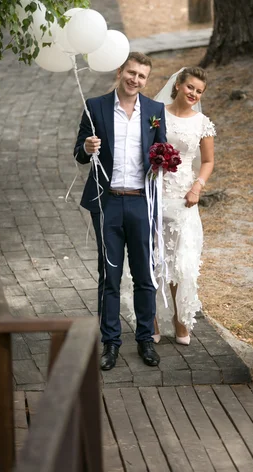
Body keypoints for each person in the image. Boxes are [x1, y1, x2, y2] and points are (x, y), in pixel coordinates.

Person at [74, 52, 167, 371]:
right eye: (131, 72)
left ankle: (144, 339)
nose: (135, 79)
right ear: (120, 71)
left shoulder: (155, 111)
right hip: (107, 202)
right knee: (109, 276)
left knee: (144, 275)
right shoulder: (96, 106)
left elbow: (161, 151)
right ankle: (110, 342)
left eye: (142, 76)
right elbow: (78, 153)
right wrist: (86, 149)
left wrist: (162, 162)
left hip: (142, 202)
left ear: (146, 80)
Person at [153, 66, 215, 344]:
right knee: (153, 259)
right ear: (178, 84)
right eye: (190, 87)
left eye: (199, 91)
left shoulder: (202, 122)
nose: (193, 93)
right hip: (154, 192)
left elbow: (208, 161)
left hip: (184, 198)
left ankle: (180, 322)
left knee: (181, 262)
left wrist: (197, 187)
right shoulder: (156, 114)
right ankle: (151, 323)